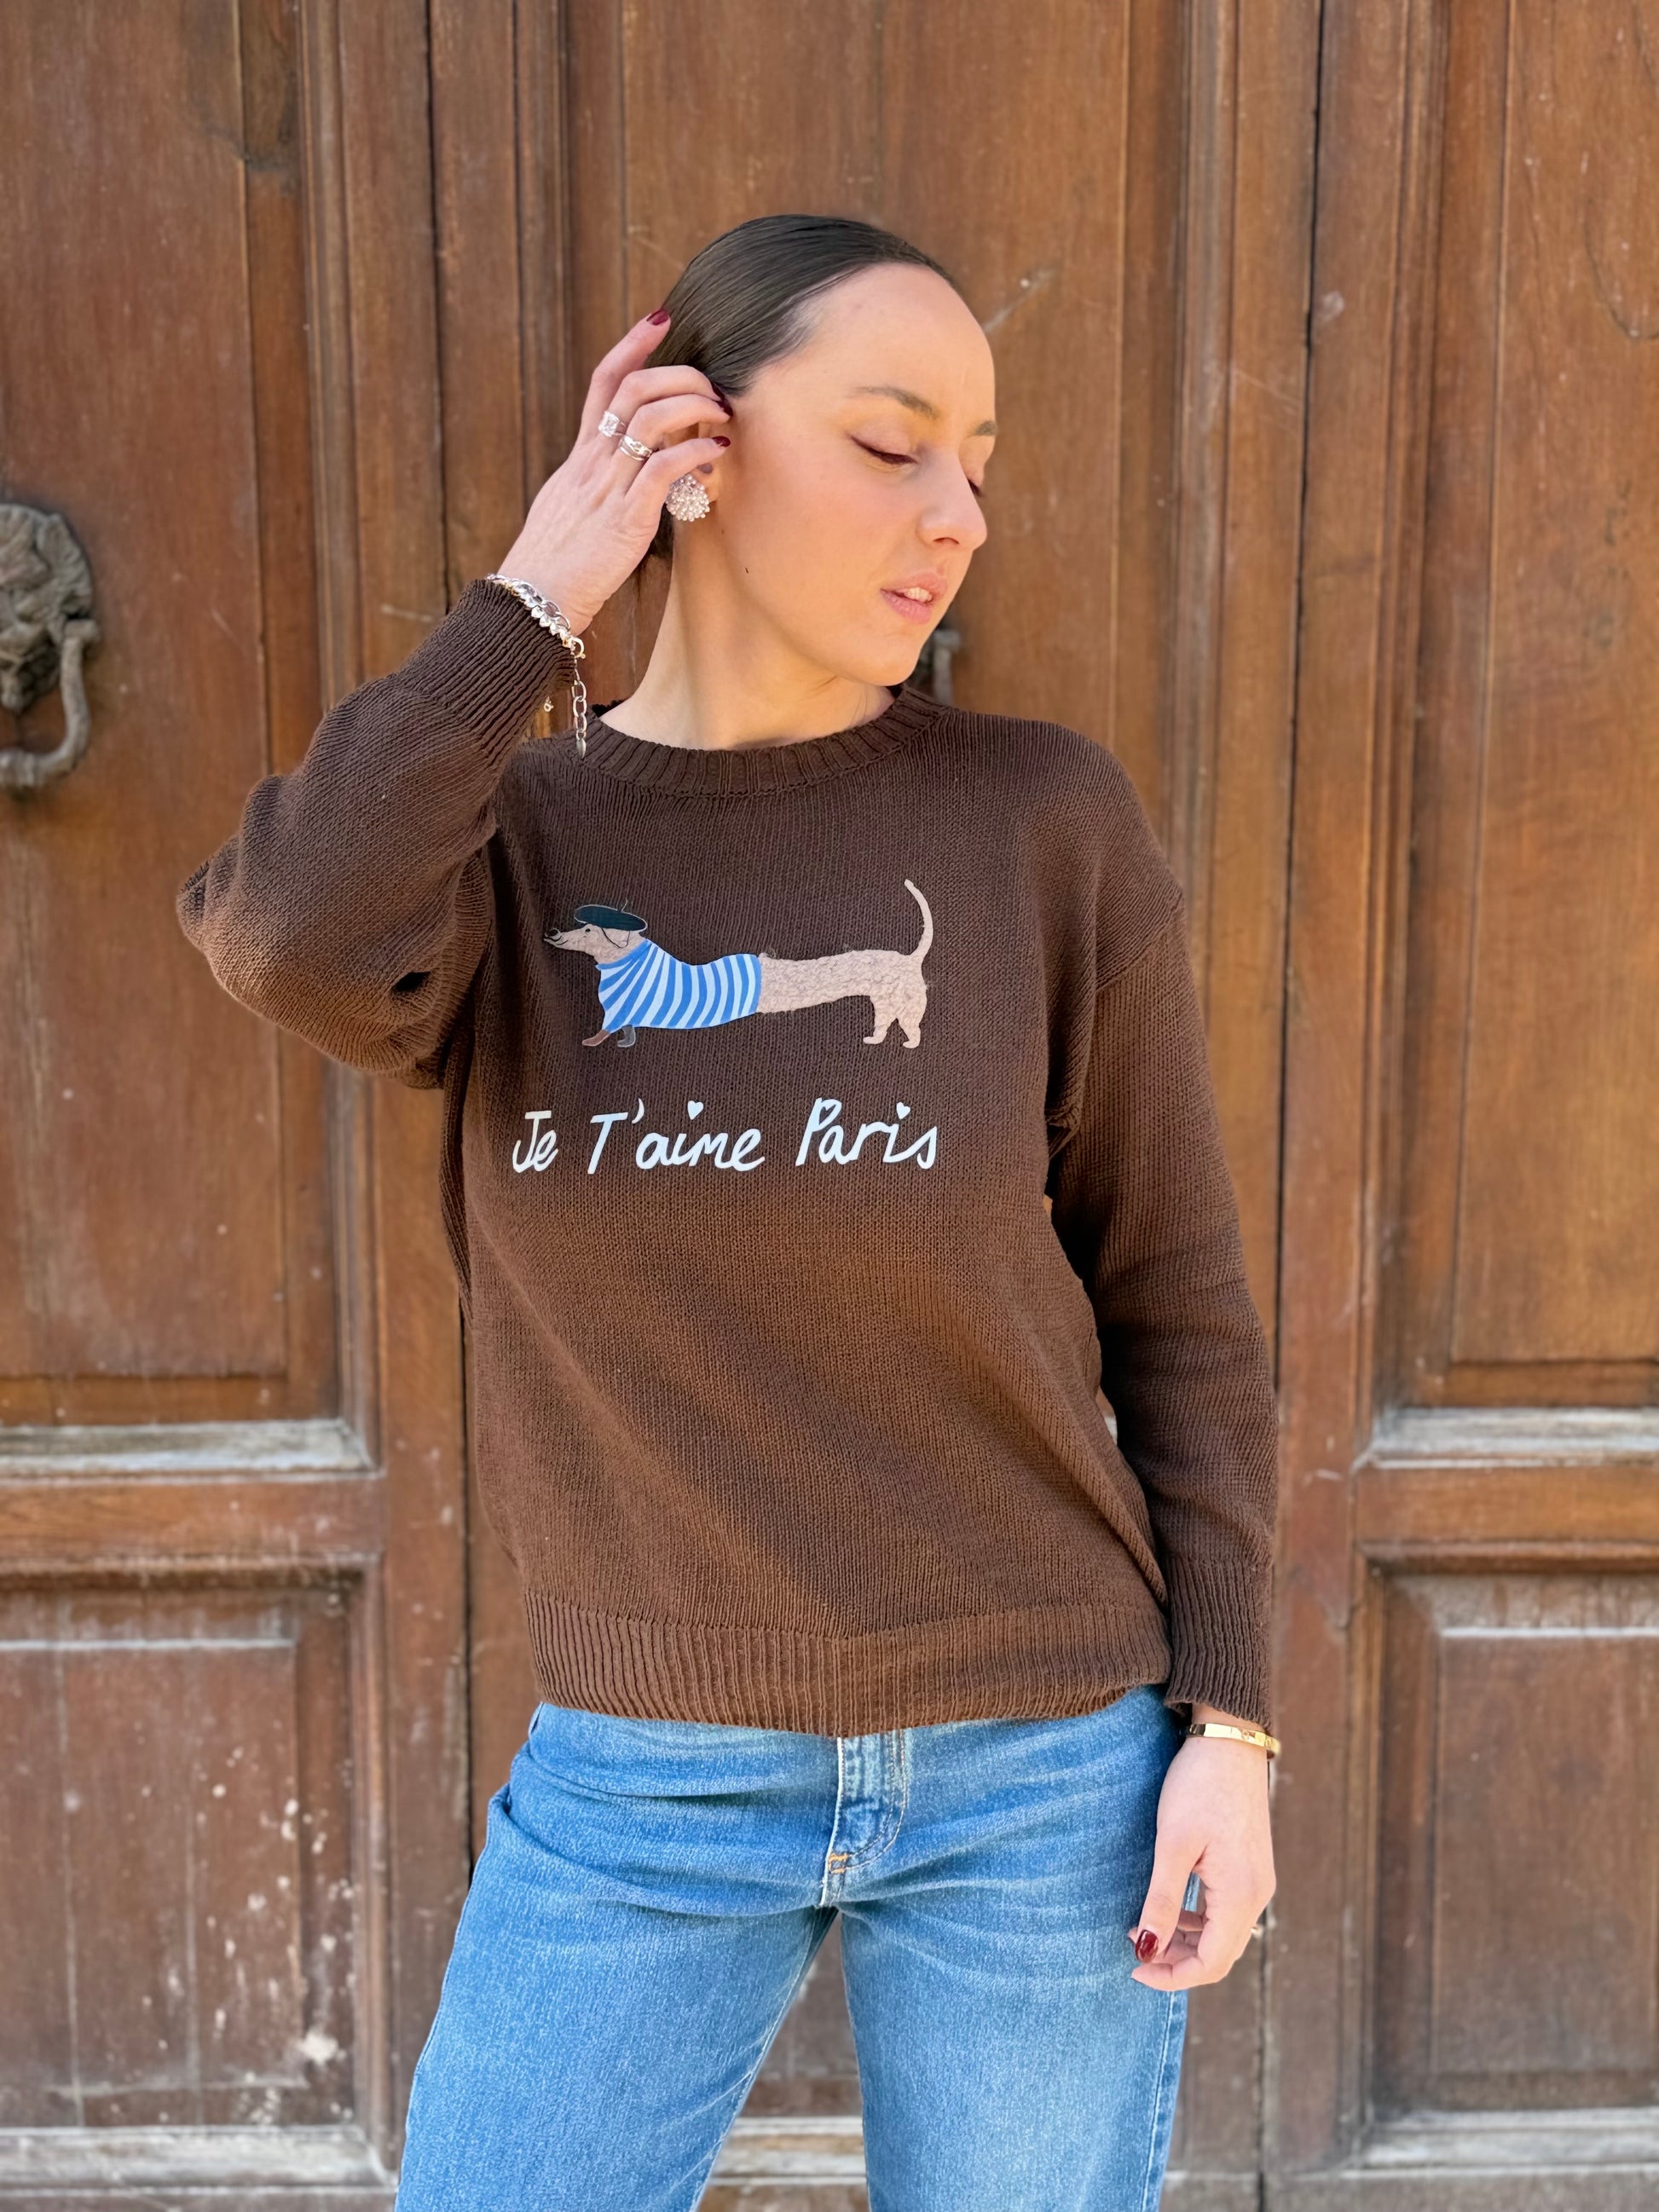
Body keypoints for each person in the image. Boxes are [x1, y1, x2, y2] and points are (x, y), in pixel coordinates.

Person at [177, 213, 1279, 2212]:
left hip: (1042, 1763)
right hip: (647, 1774)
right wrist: (536, 596)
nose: (954, 514)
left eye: (977, 461)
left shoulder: (1040, 820)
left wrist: (1234, 1726)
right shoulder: (505, 848)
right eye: (888, 442)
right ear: (687, 445)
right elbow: (287, 933)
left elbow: (1178, 1301)